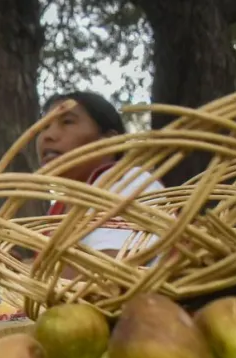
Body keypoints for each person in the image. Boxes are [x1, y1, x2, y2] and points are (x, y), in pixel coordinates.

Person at [36, 91, 165, 256]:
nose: (47, 135)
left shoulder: (130, 182)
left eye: (67, 122)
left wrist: (28, 270)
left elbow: (111, 266)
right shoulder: (57, 211)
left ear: (109, 141)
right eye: (44, 127)